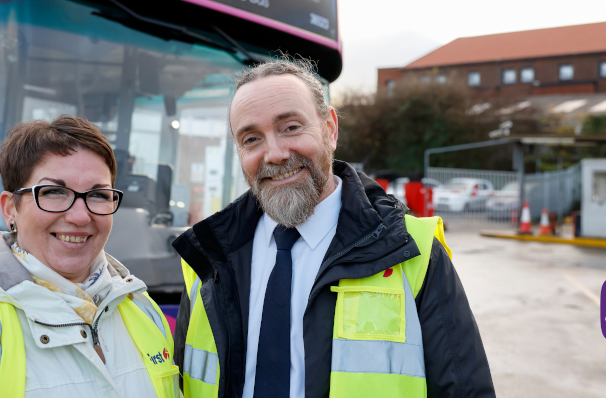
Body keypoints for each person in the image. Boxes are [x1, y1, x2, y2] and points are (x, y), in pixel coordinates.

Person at [172, 59, 495, 398]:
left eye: (291, 127)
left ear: (330, 129)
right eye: (252, 138)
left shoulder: (414, 252)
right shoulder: (207, 260)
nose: (276, 153)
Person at [0, 115, 180, 398]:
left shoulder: (144, 310)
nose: (80, 216)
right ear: (10, 209)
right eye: (53, 191)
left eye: (98, 195)